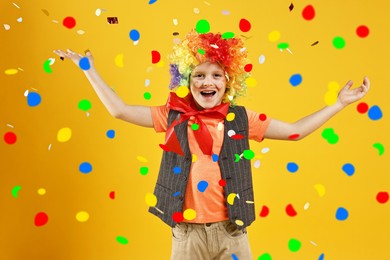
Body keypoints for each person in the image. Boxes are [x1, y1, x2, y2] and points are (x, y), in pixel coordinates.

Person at [54, 26, 370, 260]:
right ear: (187, 81)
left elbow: (296, 131)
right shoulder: (172, 116)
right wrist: (89, 70)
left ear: (228, 82)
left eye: (217, 75)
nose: (208, 82)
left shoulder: (242, 118)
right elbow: (119, 110)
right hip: (187, 234)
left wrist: (339, 104)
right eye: (200, 75)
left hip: (232, 231)